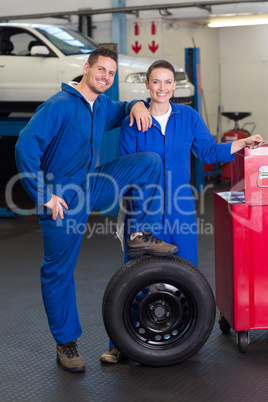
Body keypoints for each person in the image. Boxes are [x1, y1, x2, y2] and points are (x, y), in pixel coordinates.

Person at [15, 49, 179, 374]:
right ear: (86, 68)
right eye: (101, 69)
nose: (106, 76)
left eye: (111, 73)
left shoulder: (102, 105)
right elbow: (25, 146)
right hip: (61, 200)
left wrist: (135, 104)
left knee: (148, 162)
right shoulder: (59, 105)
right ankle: (66, 343)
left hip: (91, 184)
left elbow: (122, 109)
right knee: (58, 272)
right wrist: (44, 195)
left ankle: (137, 234)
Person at [99, 59, 263, 363]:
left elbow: (208, 152)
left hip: (180, 208)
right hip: (144, 208)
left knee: (187, 274)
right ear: (147, 85)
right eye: (156, 82)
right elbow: (127, 167)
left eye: (167, 82)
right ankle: (119, 343)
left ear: (174, 86)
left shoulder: (188, 117)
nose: (162, 88)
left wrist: (242, 143)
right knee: (133, 276)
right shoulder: (132, 121)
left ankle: (186, 338)